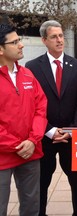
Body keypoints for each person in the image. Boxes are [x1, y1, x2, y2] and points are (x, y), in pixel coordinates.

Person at [25, 20, 77, 216]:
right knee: (42, 180)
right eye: (54, 37)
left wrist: (70, 130)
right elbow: (32, 105)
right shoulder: (32, 67)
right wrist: (50, 130)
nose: (60, 40)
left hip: (72, 136)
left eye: (61, 36)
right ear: (44, 40)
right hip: (45, 136)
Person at [0, 24, 47, 216]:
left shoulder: (27, 74)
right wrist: (17, 145)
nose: (21, 45)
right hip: (3, 156)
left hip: (30, 153)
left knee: (31, 207)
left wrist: (32, 140)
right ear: (1, 49)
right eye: (15, 42)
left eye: (20, 40)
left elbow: (41, 108)